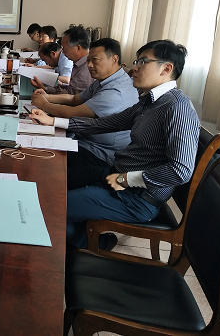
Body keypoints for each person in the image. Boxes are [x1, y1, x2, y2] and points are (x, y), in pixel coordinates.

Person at [31, 40, 200, 250]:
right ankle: (79, 228)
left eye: (143, 62)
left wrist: (126, 179)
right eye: (137, 61)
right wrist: (52, 121)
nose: (135, 68)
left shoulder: (177, 108)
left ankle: (92, 243)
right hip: (115, 175)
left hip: (136, 197)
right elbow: (102, 124)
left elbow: (181, 170)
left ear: (166, 68)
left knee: (46, 208)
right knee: (51, 180)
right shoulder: (149, 102)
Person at [31, 38, 139, 188]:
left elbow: (73, 113)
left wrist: (45, 105)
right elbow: (75, 99)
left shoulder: (115, 92)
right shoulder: (105, 80)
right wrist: (48, 97)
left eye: (95, 60)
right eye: (88, 60)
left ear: (114, 59)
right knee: (38, 149)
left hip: (99, 153)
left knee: (45, 164)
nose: (89, 65)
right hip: (85, 140)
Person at [31, 27, 93, 94]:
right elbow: (71, 88)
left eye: (64, 48)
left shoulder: (87, 69)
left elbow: (70, 95)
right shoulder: (78, 64)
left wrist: (44, 89)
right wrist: (45, 88)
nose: (62, 52)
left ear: (77, 48)